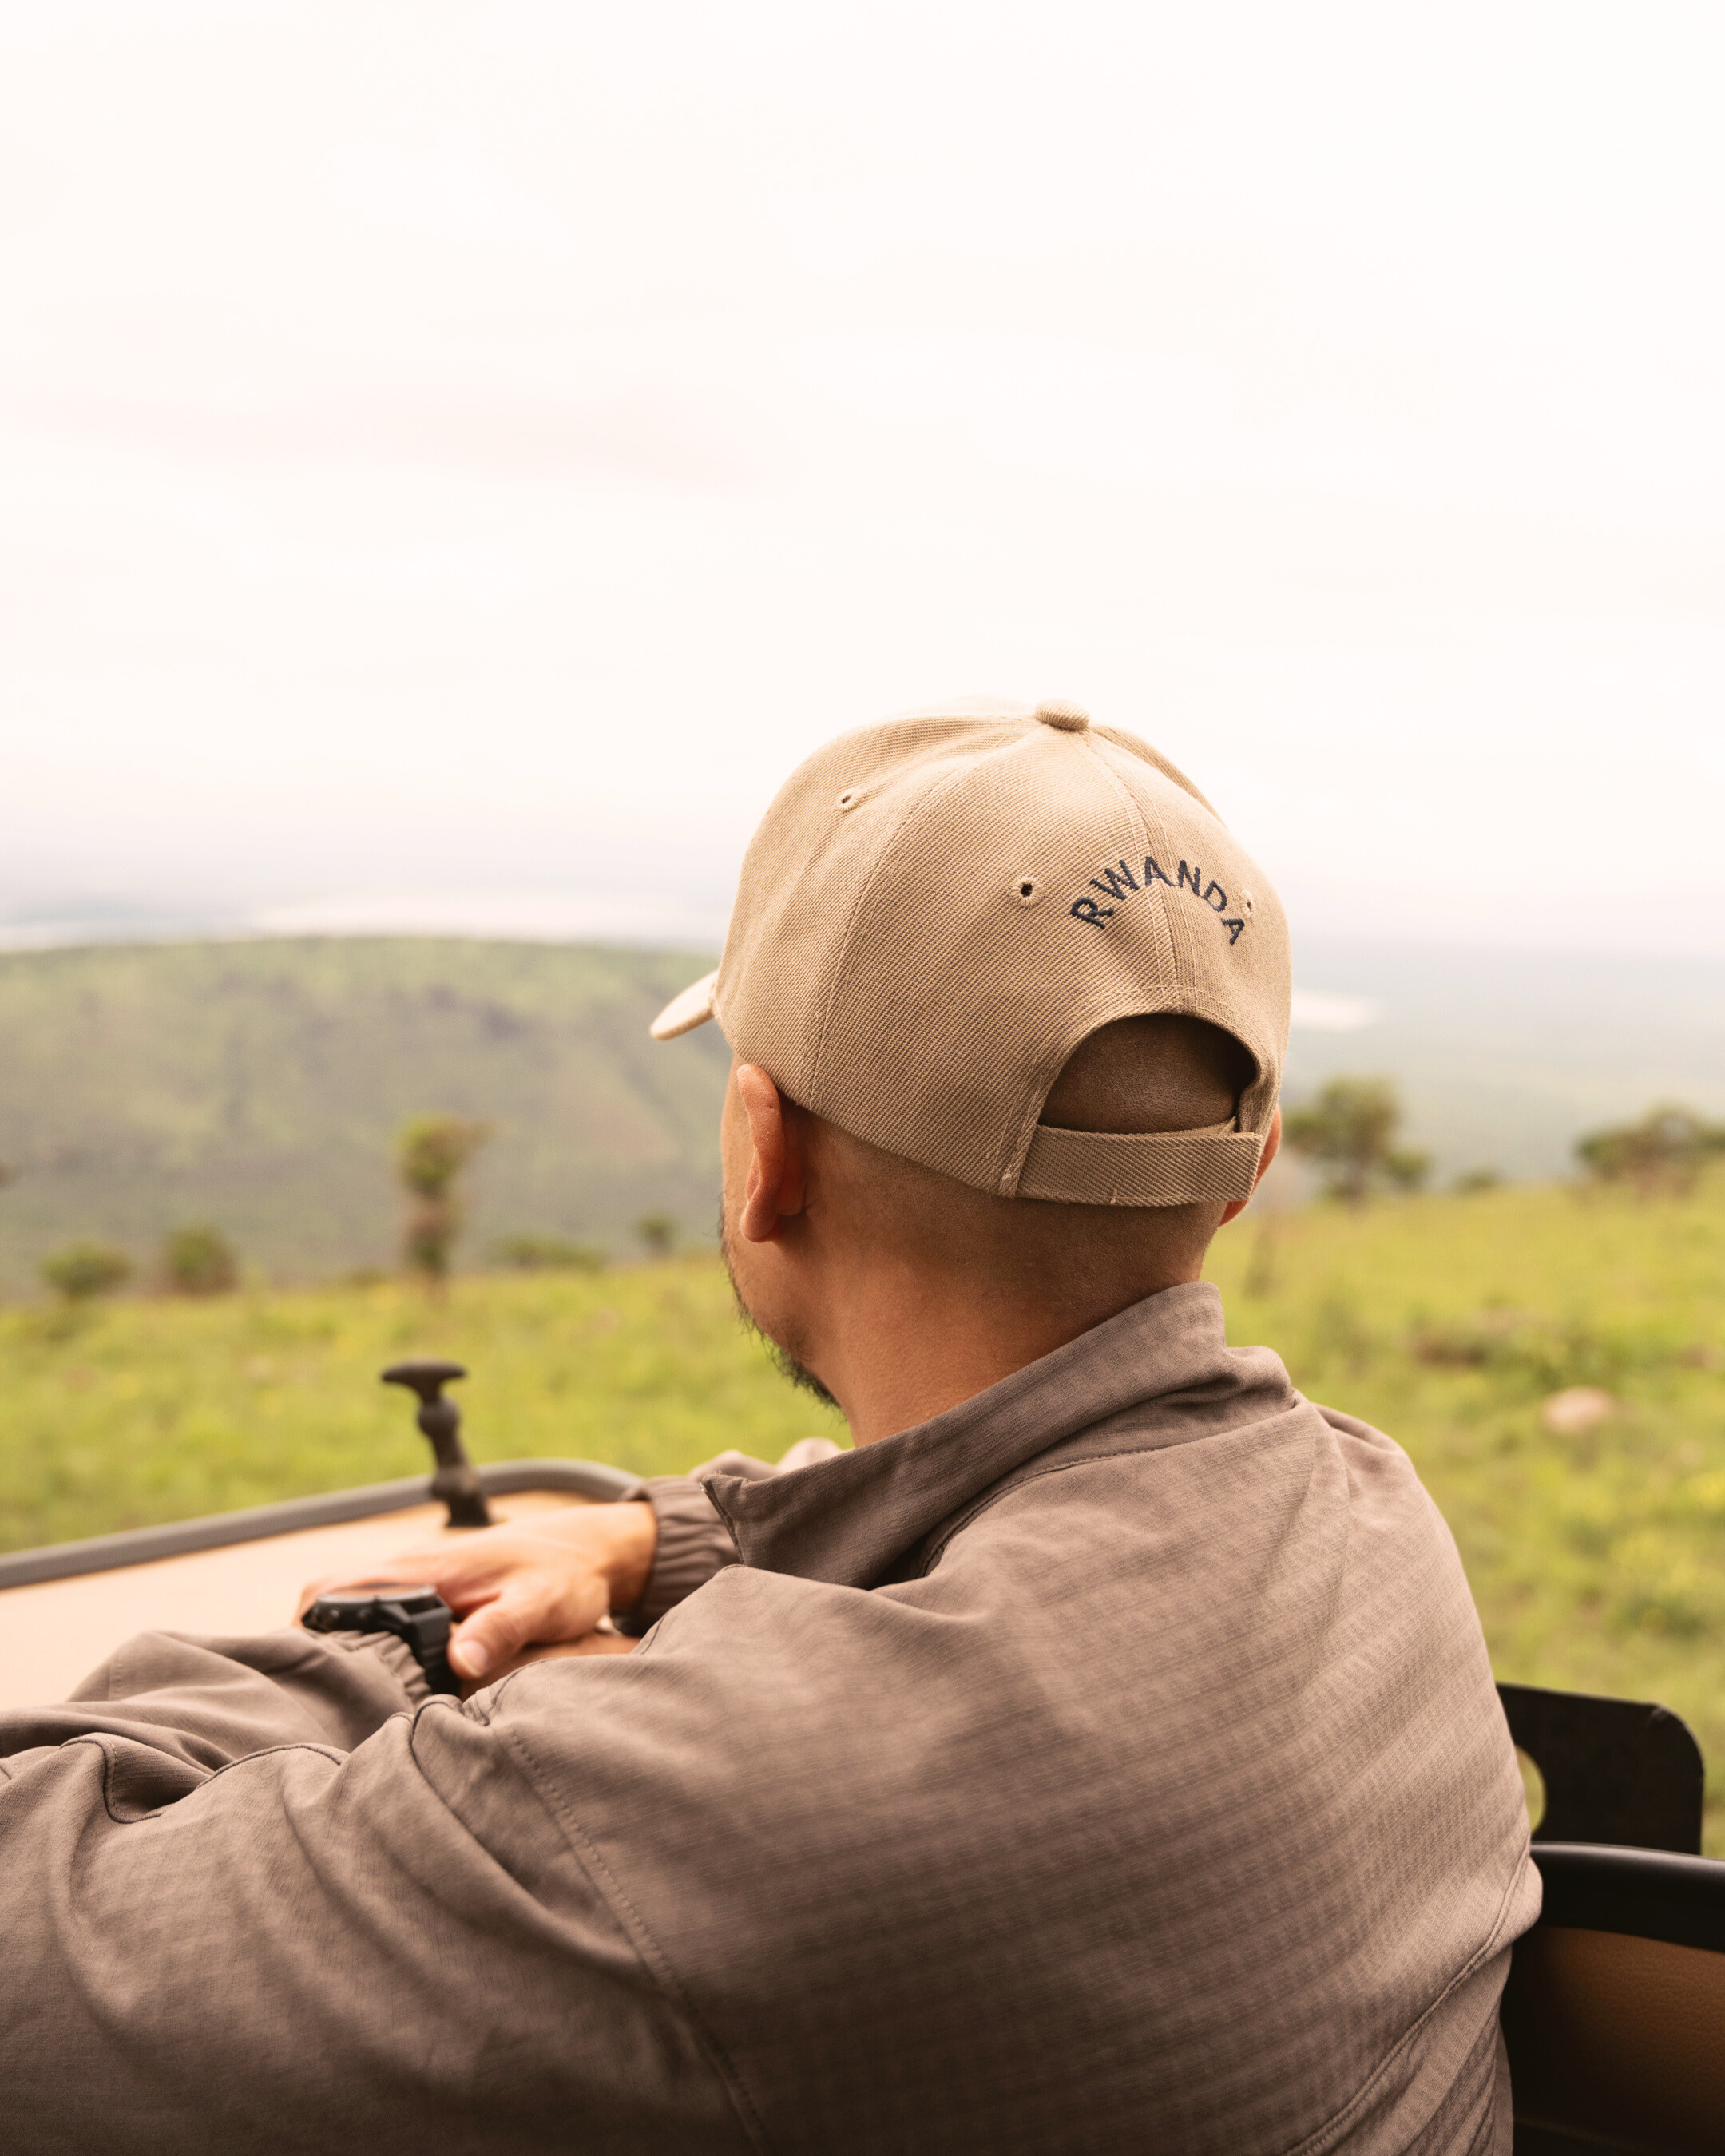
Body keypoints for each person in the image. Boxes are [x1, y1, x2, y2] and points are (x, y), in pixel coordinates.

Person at [1, 696, 1537, 2154]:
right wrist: (657, 1540)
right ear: (1247, 1166)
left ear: (762, 1153)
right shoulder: (1376, 1518)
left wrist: (400, 1644)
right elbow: (1017, 1514)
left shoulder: (680, 1829)